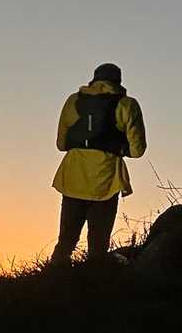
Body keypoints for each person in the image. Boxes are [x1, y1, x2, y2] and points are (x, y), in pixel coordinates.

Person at [51, 62, 146, 263]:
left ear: (94, 79)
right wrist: (119, 148)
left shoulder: (73, 100)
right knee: (98, 247)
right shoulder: (127, 104)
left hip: (72, 179)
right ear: (118, 81)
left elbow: (61, 144)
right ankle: (96, 278)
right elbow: (138, 151)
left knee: (65, 243)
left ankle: (52, 278)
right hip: (106, 183)